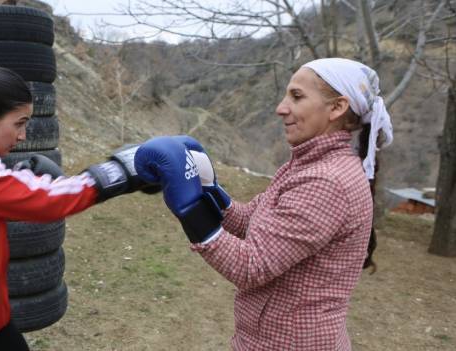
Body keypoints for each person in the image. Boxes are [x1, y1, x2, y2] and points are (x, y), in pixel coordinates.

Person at [134, 58, 393, 350]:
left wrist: (192, 211)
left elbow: (251, 266)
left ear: (336, 108)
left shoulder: (326, 182)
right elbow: (249, 223)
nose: (281, 108)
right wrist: (209, 188)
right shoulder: (306, 166)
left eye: (297, 96)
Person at [0, 67, 154, 351]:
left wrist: (17, 175)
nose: (23, 136)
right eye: (19, 123)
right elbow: (48, 200)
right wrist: (117, 174)